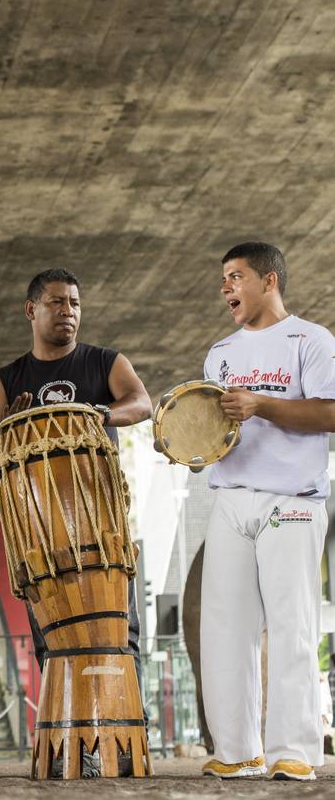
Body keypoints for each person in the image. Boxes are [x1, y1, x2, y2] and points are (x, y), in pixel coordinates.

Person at [0, 267, 151, 777]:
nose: (67, 311)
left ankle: (126, 739)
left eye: (74, 302)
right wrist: (7, 422)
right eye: (56, 302)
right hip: (43, 538)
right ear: (32, 310)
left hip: (101, 528)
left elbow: (142, 403)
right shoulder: (7, 379)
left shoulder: (104, 362)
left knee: (120, 636)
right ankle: (75, 748)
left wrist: (98, 413)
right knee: (54, 639)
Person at [198, 242, 335, 782]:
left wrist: (261, 404)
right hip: (231, 496)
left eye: (236, 277)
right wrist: (193, 444)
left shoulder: (313, 340)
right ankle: (237, 751)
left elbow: (330, 412)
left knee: (291, 624)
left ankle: (293, 750)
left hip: (293, 500)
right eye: (224, 279)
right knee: (224, 627)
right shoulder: (220, 352)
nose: (227, 287)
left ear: (270, 280)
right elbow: (221, 430)